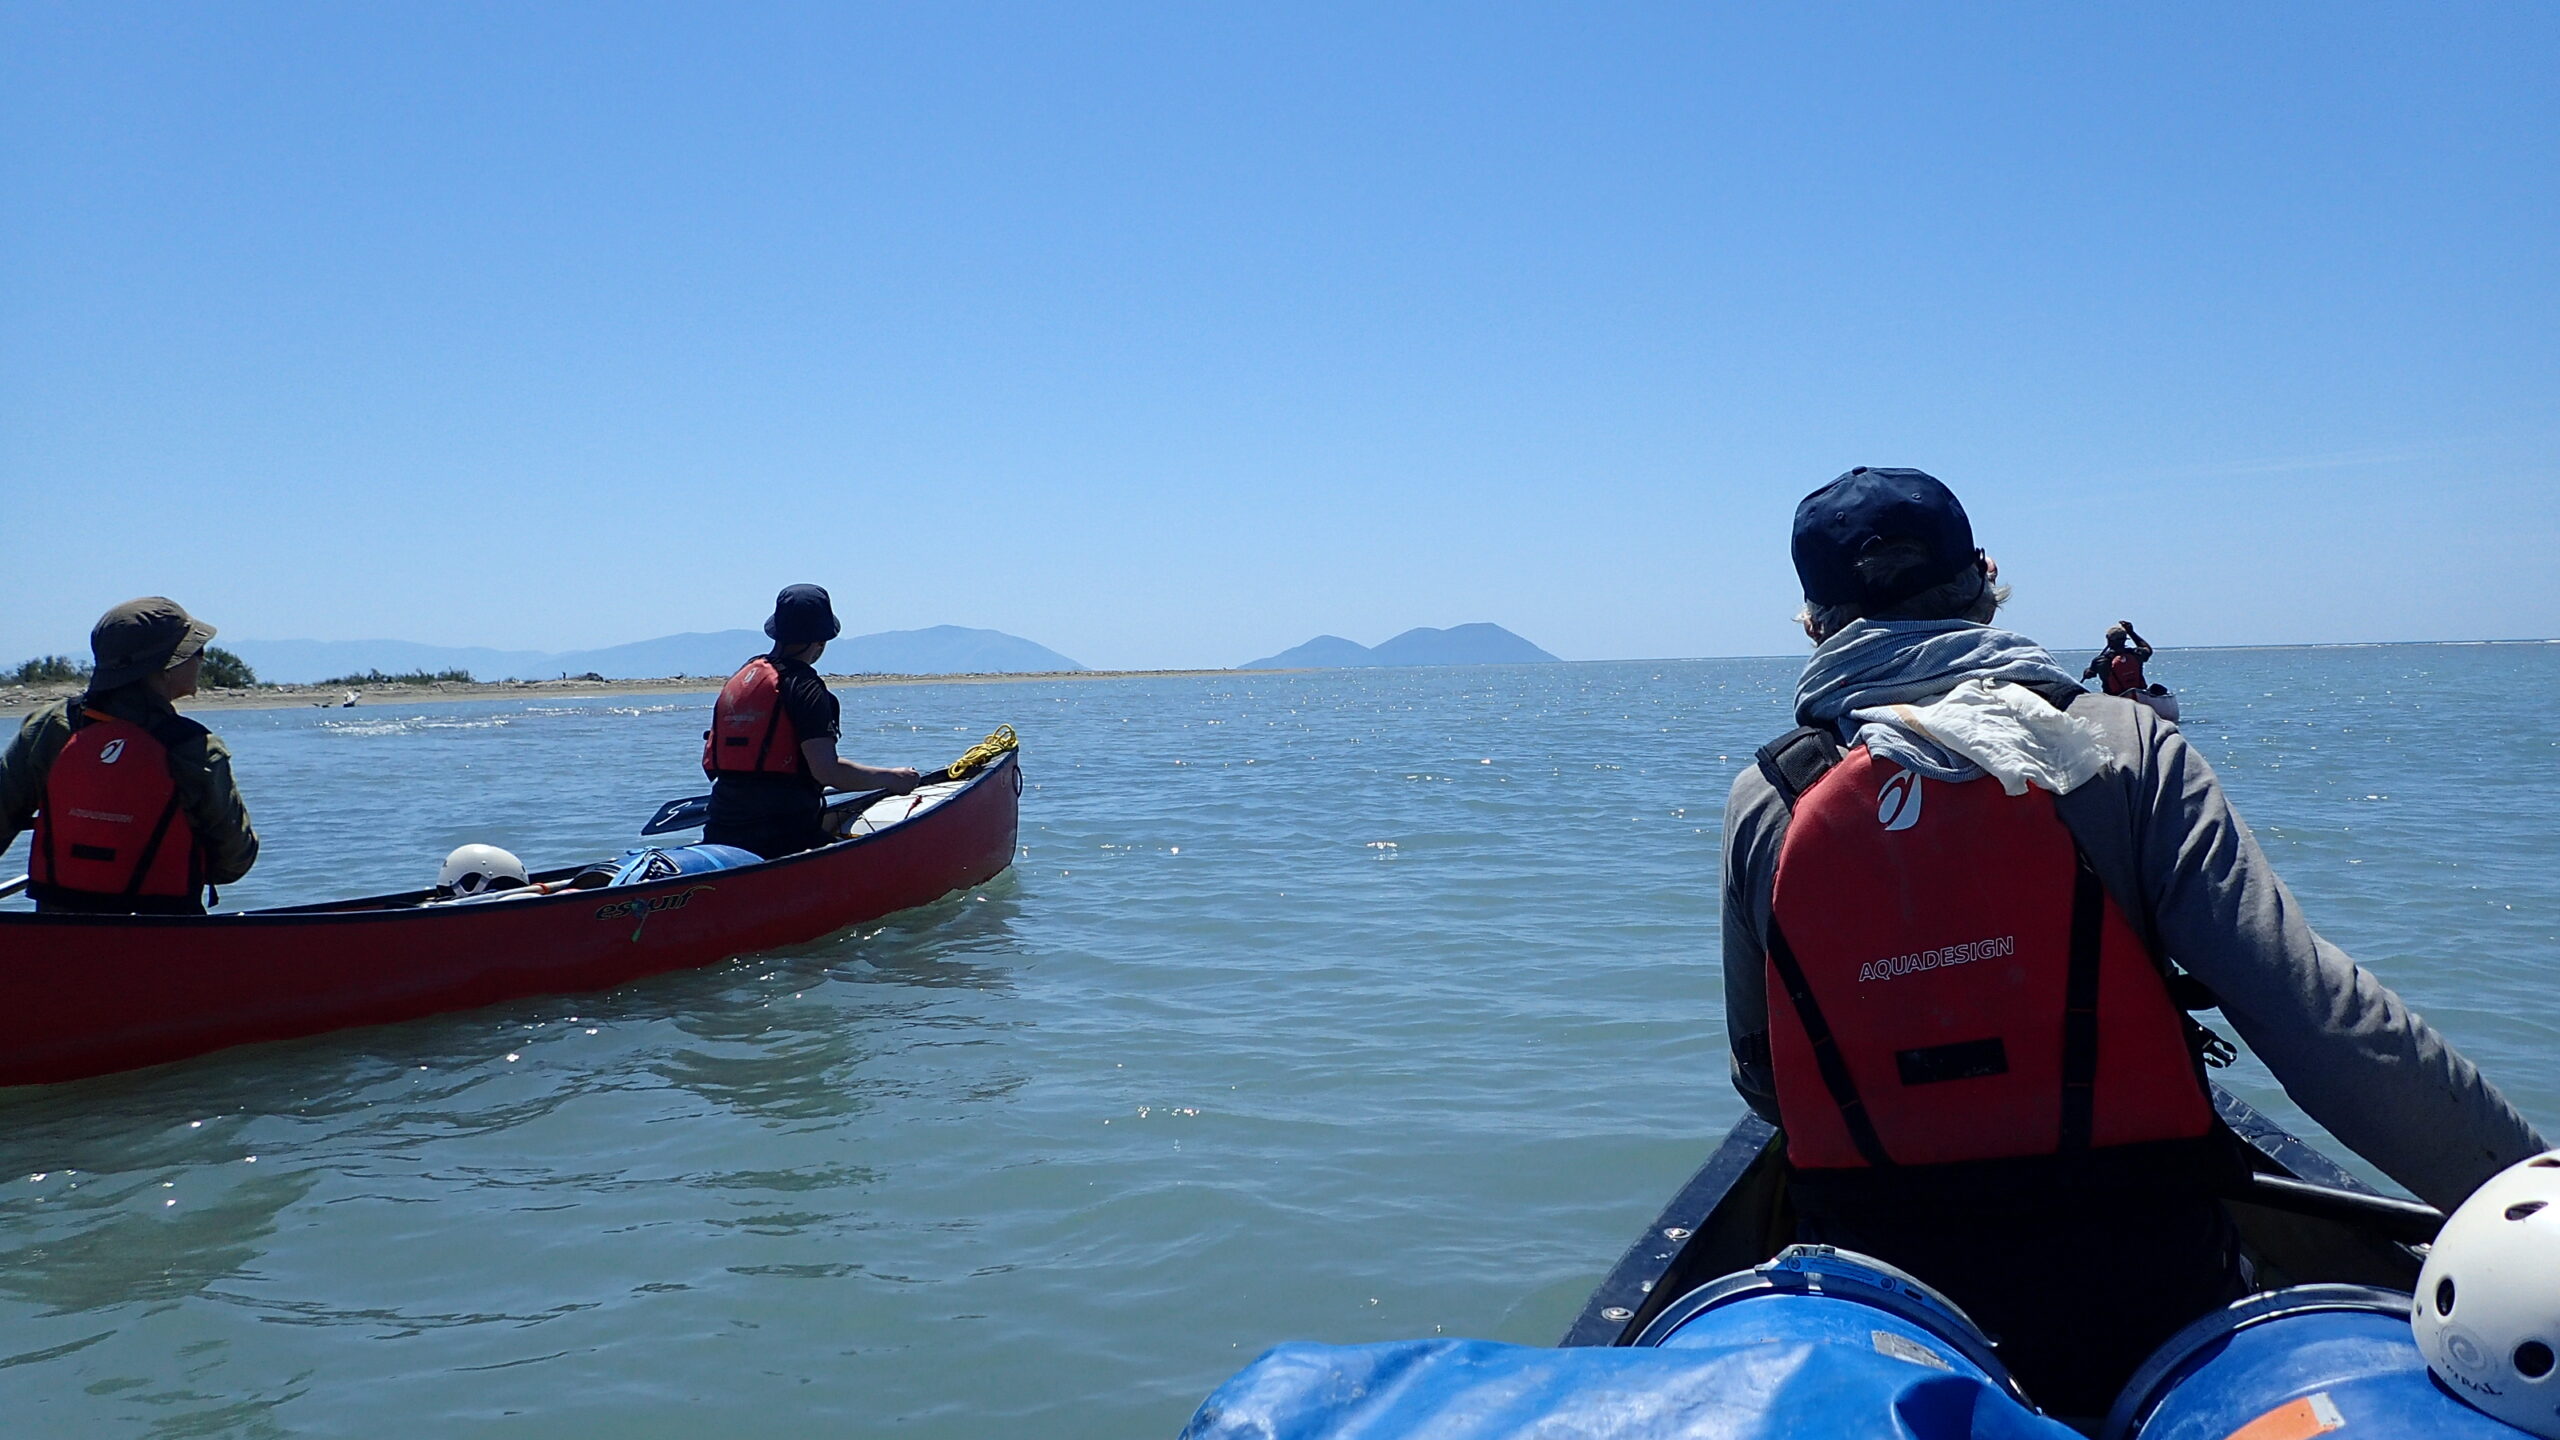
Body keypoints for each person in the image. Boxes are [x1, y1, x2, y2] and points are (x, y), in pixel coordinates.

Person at [1720, 467, 2544, 1416]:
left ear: (1815, 624)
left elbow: (1765, 1077)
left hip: (1889, 1300)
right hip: (2140, 1281)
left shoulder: (1765, 801)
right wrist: (2528, 1191)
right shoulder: (2125, 749)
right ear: (1985, 582)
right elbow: (2318, 1022)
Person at [0, 597, 260, 914]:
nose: (202, 660)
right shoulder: (196, 749)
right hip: (165, 931)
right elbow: (233, 863)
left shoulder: (48, 726)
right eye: (196, 651)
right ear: (165, 668)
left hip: (59, 929)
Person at [700, 584, 918, 860]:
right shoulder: (805, 687)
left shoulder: (744, 676)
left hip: (721, 829)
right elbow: (827, 772)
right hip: (783, 837)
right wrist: (893, 778)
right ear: (821, 640)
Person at [2083, 620, 2154, 696]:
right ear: (2125, 640)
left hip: (2114, 697)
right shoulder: (2137, 654)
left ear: (2108, 639)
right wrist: (2131, 632)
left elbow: (2090, 674)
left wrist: (2087, 671)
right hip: (2138, 694)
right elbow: (2147, 649)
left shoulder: (2100, 661)